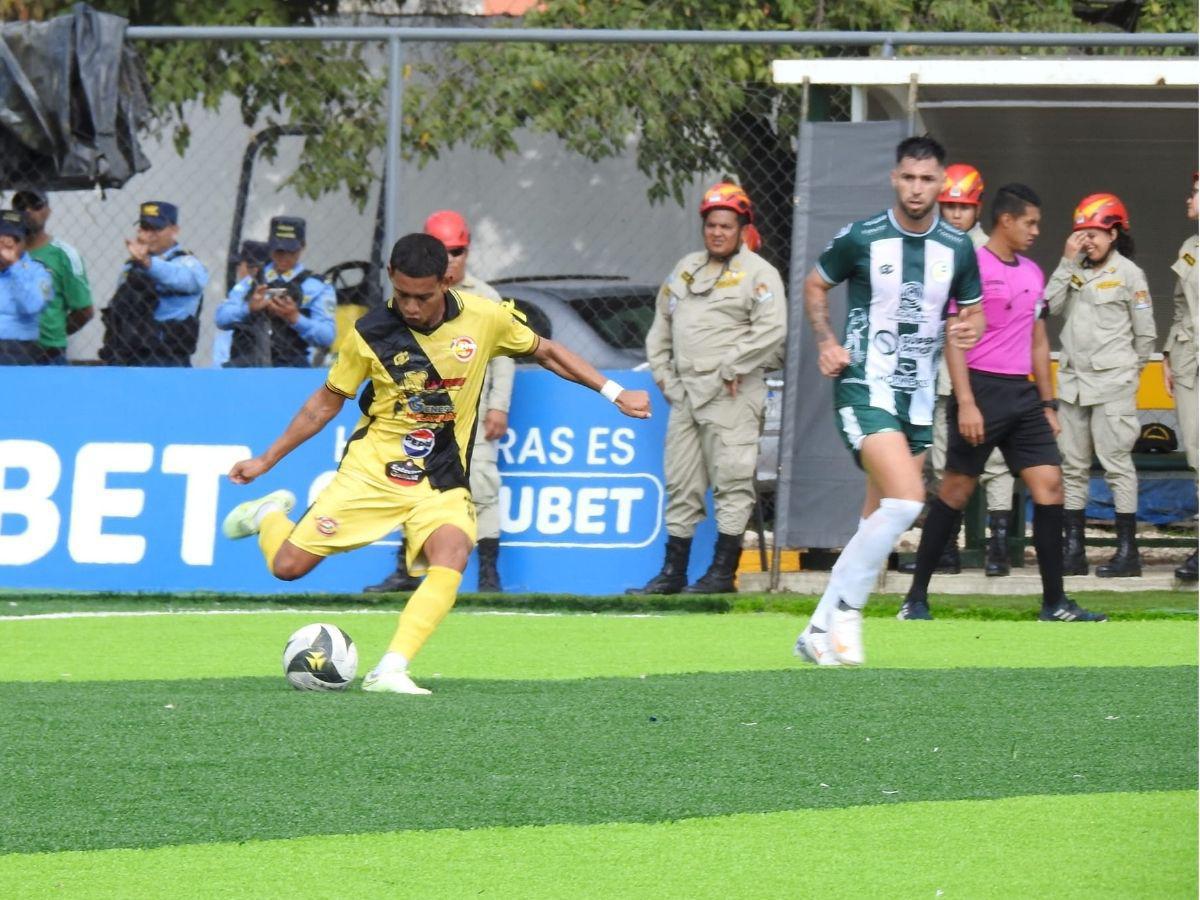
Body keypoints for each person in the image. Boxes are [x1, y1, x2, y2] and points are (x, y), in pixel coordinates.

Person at [221, 233, 651, 694]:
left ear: (445, 281)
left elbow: (546, 351)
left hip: (440, 475)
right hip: (372, 472)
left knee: (453, 552)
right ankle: (270, 515)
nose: (410, 306)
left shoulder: (484, 317)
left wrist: (614, 392)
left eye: (422, 297)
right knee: (287, 567)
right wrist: (266, 459)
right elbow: (324, 404)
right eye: (402, 294)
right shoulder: (370, 334)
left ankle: (390, 668)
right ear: (390, 276)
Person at [793, 135, 984, 667]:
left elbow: (973, 312)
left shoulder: (958, 247)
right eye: (909, 178)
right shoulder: (863, 237)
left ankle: (817, 630)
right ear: (894, 179)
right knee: (906, 501)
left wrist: (971, 327)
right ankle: (849, 614)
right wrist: (826, 341)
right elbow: (814, 285)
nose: (917, 188)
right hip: (865, 385)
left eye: (927, 179)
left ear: (941, 183)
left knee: (878, 516)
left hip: (917, 397)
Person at [898, 184, 1106, 622]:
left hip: (1023, 397)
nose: (1036, 231)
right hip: (980, 390)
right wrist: (967, 402)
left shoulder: (1032, 271)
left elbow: (1038, 341)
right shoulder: (971, 266)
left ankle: (1055, 604)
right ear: (1006, 221)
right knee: (955, 490)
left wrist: (1047, 403)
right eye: (1030, 222)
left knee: (1051, 487)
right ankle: (915, 598)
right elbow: (954, 338)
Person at [628, 182, 785, 595]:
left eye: (726, 226)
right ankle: (673, 573)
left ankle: (721, 574)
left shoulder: (759, 274)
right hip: (686, 395)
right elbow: (661, 326)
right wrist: (664, 375)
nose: (717, 233)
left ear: (742, 229)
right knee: (681, 482)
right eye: (712, 225)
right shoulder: (686, 268)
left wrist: (733, 366)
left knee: (733, 480)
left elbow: (772, 329)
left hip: (733, 394)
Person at [364, 210, 514, 594]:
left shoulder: (486, 298)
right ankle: (406, 570)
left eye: (457, 251)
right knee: (410, 481)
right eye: (444, 251)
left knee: (481, 485)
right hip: (421, 411)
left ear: (468, 251)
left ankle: (488, 575)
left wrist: (498, 406)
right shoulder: (407, 298)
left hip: (472, 411)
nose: (451, 259)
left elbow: (504, 357)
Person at [902, 163, 1017, 576]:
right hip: (935, 371)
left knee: (994, 462)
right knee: (942, 461)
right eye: (949, 205)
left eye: (963, 207)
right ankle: (945, 550)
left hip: (982, 371)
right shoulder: (927, 246)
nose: (954, 214)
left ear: (978, 208)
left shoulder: (991, 251)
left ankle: (998, 549)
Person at [1046, 193, 1156, 577]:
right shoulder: (1073, 269)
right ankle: (1073, 552)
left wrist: (1127, 375)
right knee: (1073, 468)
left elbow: (1146, 336)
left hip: (1113, 386)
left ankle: (1127, 554)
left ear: (1114, 233)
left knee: (1117, 467)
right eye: (1081, 233)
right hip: (1073, 384)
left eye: (1093, 233)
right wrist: (1065, 262)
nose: (1086, 241)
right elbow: (1047, 307)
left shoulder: (1130, 274)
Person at [99, 201, 209, 366]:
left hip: (167, 359)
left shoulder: (187, 263)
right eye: (145, 228)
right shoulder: (131, 265)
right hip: (126, 356)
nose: (149, 235)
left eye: (156, 229)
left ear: (174, 230)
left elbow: (186, 280)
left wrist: (149, 263)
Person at [215, 217, 335, 367]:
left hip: (291, 367)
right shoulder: (251, 281)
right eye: (279, 250)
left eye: (291, 250)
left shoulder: (317, 286)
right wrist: (248, 308)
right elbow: (221, 318)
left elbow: (327, 336)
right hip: (246, 365)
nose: (284, 256)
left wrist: (295, 318)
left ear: (302, 246)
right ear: (270, 246)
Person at [1163, 173, 1198, 582]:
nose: (1190, 199)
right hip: (1190, 361)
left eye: (1196, 193)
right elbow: (1179, 306)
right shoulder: (1190, 248)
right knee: (1197, 453)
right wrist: (1169, 353)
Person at [12, 188, 93, 365]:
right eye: (21, 206)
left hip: (48, 354)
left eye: (35, 205)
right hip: (9, 350)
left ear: (48, 211)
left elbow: (84, 310)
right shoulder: (5, 254)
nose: (28, 210)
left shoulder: (64, 255)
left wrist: (54, 334)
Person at [0, 209, 53, 365]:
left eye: (13, 240)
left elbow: (31, 306)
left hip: (17, 349)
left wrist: (15, 265)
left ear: (24, 242)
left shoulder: (38, 272)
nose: (5, 246)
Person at [212, 240, 269, 368]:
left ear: (253, 268)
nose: (238, 269)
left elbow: (221, 318)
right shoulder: (244, 288)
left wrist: (246, 308)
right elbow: (221, 317)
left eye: (240, 264)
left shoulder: (244, 287)